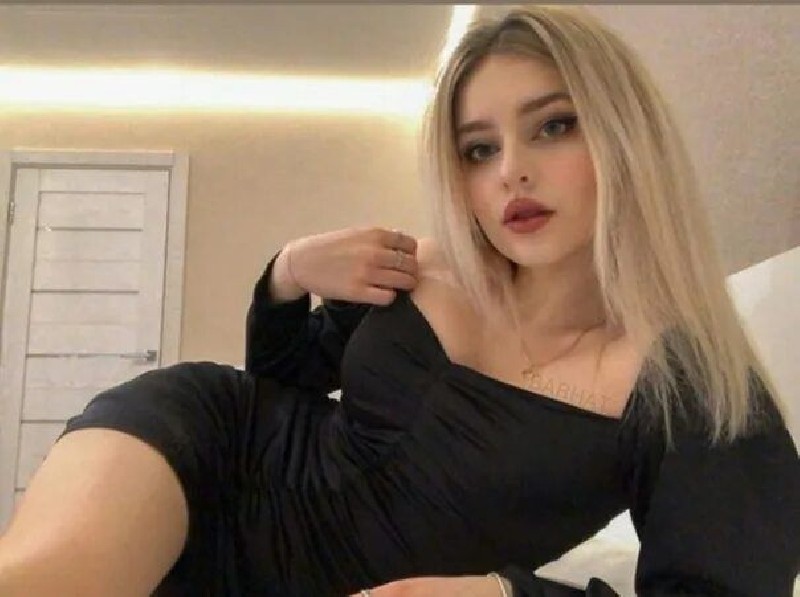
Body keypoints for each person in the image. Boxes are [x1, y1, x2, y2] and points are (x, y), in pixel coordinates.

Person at [0, 4, 798, 596]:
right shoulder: (425, 264)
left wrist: (508, 594)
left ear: (629, 136)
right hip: (206, 448)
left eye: (553, 126)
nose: (510, 171)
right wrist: (287, 275)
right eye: (478, 148)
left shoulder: (698, 388)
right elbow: (284, 378)